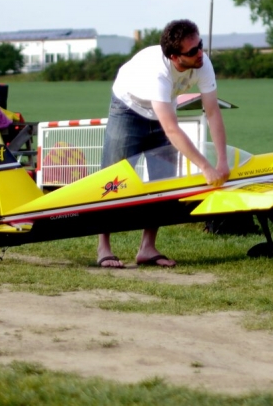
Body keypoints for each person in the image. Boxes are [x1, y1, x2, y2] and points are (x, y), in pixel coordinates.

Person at [97, 19, 230, 268]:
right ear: (174, 56)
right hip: (129, 106)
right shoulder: (158, 73)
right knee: (112, 179)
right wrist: (205, 167)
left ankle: (147, 248)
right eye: (192, 51)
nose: (200, 53)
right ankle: (103, 247)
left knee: (164, 179)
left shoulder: (203, 63)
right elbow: (170, 128)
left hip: (164, 105)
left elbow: (213, 112)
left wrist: (221, 161)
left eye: (200, 45)